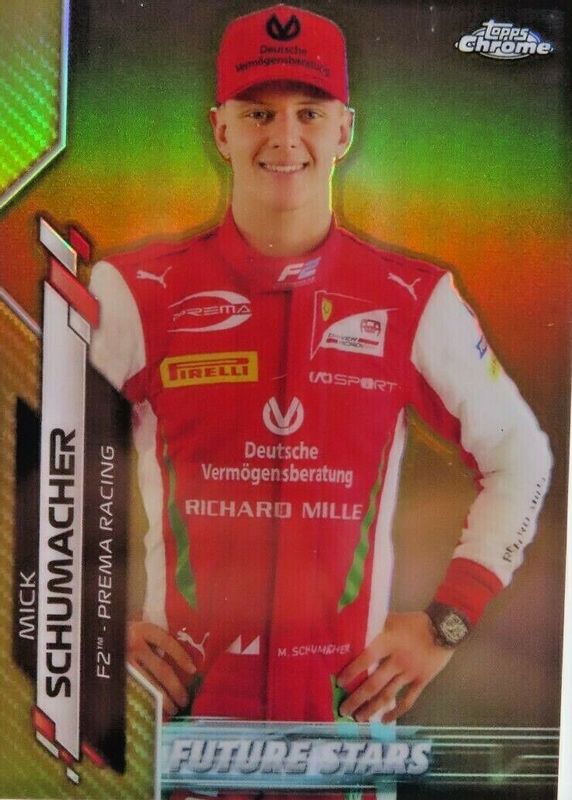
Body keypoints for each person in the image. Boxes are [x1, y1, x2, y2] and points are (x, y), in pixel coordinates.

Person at [89, 4, 552, 727]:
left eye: (309, 112)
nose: (284, 137)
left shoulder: (413, 298)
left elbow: (521, 457)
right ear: (220, 129)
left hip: (342, 725)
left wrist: (448, 622)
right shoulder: (135, 291)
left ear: (345, 130)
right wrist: (89, 621)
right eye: (258, 113)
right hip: (173, 731)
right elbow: (31, 455)